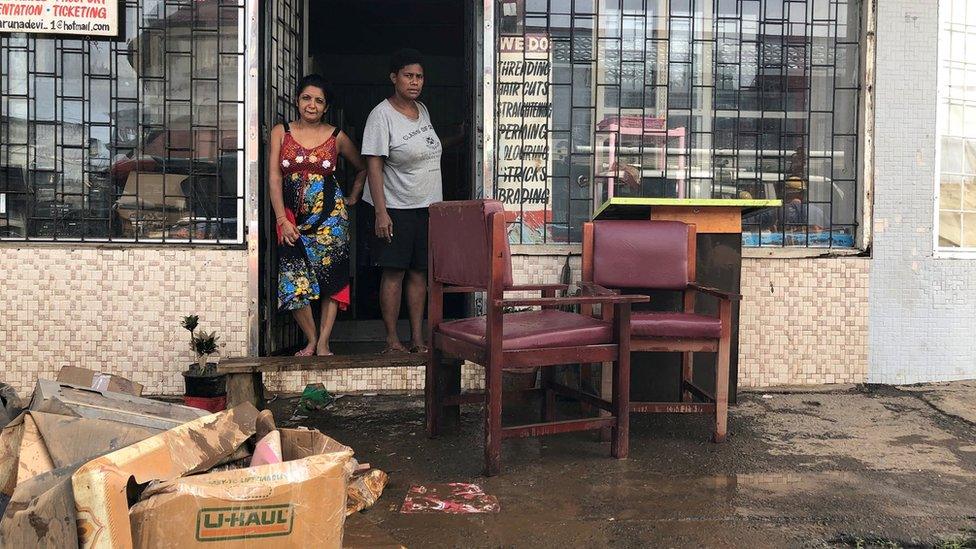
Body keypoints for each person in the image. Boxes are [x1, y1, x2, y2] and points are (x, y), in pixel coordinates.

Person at [361, 49, 459, 354]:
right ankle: (392, 340)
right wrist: (381, 213)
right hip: (395, 207)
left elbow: (428, 149)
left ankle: (417, 338)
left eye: (419, 77)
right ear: (394, 78)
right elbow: (373, 166)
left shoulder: (423, 110)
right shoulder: (381, 115)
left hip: (426, 208)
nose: (414, 82)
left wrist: (462, 135)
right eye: (408, 75)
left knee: (419, 273)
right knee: (394, 272)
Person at [268, 74, 367, 356]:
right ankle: (310, 339)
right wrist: (281, 219)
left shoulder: (337, 137)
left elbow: (362, 166)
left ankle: (323, 341)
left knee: (332, 278)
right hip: (290, 220)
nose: (312, 105)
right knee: (293, 277)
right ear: (298, 101)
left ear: (326, 107)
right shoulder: (281, 132)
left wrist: (352, 197)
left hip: (331, 220)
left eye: (319, 101)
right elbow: (274, 178)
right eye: (306, 98)